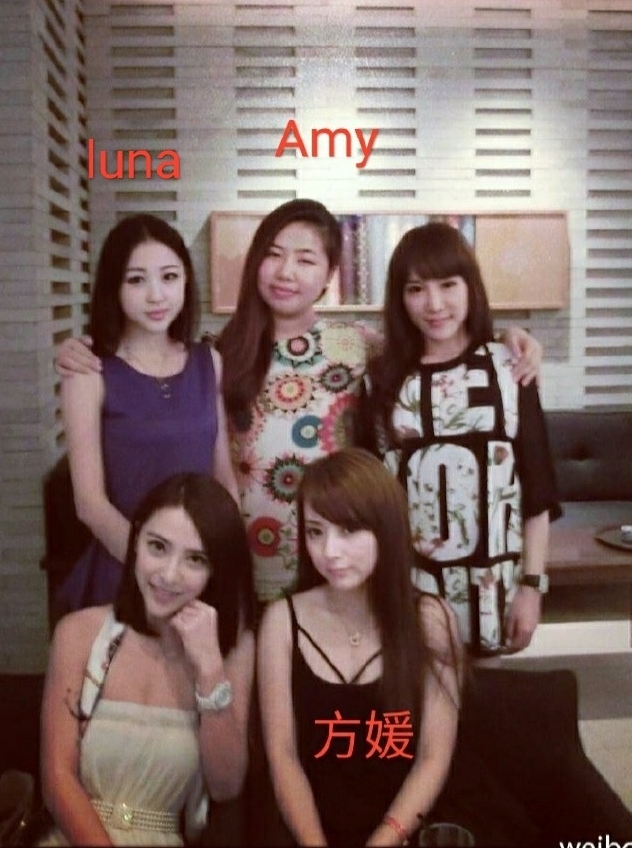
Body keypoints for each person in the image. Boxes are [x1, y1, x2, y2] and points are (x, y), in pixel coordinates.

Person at [57, 201, 543, 607]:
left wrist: (507, 339)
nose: (286, 272)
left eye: (306, 260)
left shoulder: (358, 344)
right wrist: (79, 350)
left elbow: (435, 348)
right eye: (274, 255)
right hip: (238, 554)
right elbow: (153, 371)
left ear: (330, 275)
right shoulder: (219, 351)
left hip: (333, 552)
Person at [361, 221, 562, 657]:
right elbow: (373, 494)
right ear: (400, 298)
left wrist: (532, 587)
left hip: (494, 583)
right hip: (412, 583)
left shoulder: (510, 367)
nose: (434, 304)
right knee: (418, 691)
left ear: (471, 286)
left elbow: (537, 492)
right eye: (416, 289)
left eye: (448, 284)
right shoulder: (382, 379)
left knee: (487, 693)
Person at [256, 448, 464, 846]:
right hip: (309, 828)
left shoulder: (431, 620)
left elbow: (433, 757)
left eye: (349, 530)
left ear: (385, 529)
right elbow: (282, 755)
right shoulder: (282, 620)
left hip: (406, 826)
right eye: (315, 532)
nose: (329, 551)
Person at [39, 472, 256, 846]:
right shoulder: (78, 632)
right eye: (158, 547)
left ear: (217, 569)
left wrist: (209, 669)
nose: (168, 575)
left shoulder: (233, 646)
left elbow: (226, 786)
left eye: (195, 559)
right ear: (136, 541)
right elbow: (57, 779)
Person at [55, 214, 237, 616]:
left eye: (169, 277)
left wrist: (216, 563)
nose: (156, 295)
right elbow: (90, 504)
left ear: (186, 281)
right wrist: (158, 573)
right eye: (136, 280)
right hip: (124, 568)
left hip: (200, 572)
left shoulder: (209, 362)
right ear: (114, 288)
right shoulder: (88, 373)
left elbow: (223, 477)